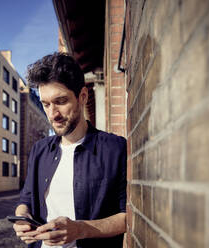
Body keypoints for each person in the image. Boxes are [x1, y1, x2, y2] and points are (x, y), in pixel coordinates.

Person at [13, 52, 127, 248]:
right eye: (46, 104)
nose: (52, 114)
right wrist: (22, 218)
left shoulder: (115, 148)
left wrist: (80, 229)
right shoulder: (39, 151)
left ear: (82, 96)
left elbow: (128, 217)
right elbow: (26, 200)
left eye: (61, 101)